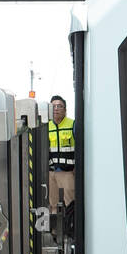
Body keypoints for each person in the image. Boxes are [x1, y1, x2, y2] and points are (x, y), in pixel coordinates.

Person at [47, 94, 76, 232]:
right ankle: (54, 233)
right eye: (53, 106)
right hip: (51, 172)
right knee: (52, 204)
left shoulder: (73, 124)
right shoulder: (46, 126)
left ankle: (72, 230)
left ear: (65, 109)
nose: (56, 109)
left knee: (70, 202)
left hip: (67, 172)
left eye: (60, 106)